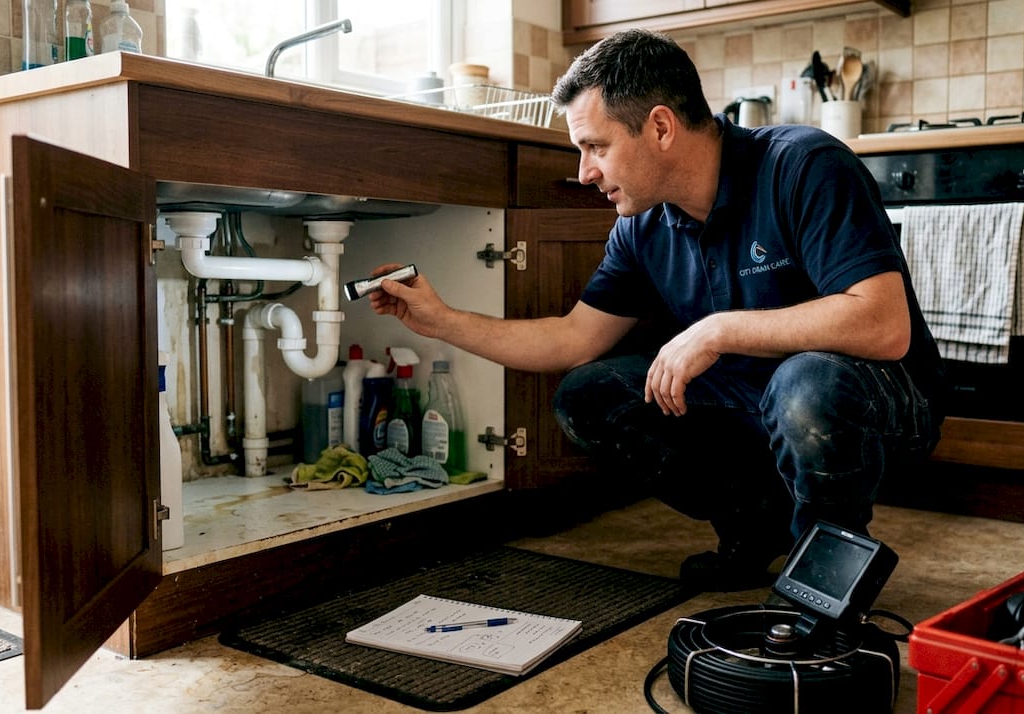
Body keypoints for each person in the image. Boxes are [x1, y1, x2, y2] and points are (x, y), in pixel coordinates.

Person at [368, 28, 945, 591]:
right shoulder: (643, 223)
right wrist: (440, 321)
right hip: (752, 405)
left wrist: (718, 330)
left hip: (877, 407)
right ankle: (756, 524)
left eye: (596, 146)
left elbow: (883, 324)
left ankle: (826, 577)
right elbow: (573, 340)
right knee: (589, 396)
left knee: (806, 383)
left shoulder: (804, 166)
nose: (584, 172)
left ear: (661, 127)